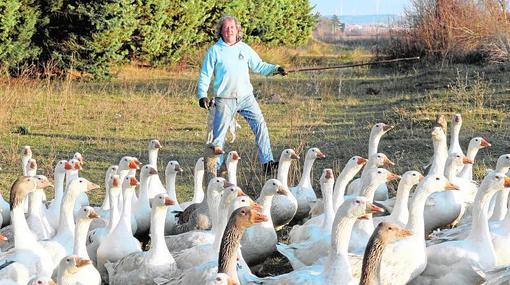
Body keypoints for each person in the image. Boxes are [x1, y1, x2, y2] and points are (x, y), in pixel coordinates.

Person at [197, 15, 287, 174]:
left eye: (232, 27)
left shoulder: (244, 48)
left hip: (246, 97)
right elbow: (205, 74)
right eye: (226, 28)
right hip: (224, 99)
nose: (229, 30)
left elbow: (259, 66)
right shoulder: (215, 51)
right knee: (219, 136)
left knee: (260, 126)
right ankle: (217, 169)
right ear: (221, 31)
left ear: (237, 30)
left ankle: (267, 163)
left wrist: (276, 69)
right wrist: (202, 95)